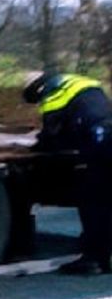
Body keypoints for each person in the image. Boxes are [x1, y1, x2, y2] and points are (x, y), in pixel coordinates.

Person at [23, 71, 112, 275]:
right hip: (107, 135)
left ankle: (95, 259)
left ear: (38, 88)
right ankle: (102, 250)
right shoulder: (85, 82)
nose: (39, 103)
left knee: (93, 200)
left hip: (99, 144)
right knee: (106, 199)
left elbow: (50, 136)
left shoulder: (53, 93)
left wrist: (35, 146)